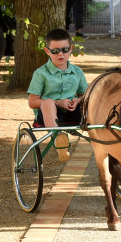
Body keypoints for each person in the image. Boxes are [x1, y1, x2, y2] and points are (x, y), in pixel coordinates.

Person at [28, 29, 88, 162]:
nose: (61, 54)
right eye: (55, 51)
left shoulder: (77, 72)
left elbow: (85, 94)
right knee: (48, 102)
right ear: (47, 51)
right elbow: (32, 102)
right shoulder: (40, 74)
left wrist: (78, 100)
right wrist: (56, 102)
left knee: (92, 99)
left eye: (65, 50)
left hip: (72, 112)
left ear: (71, 49)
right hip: (47, 116)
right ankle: (59, 140)